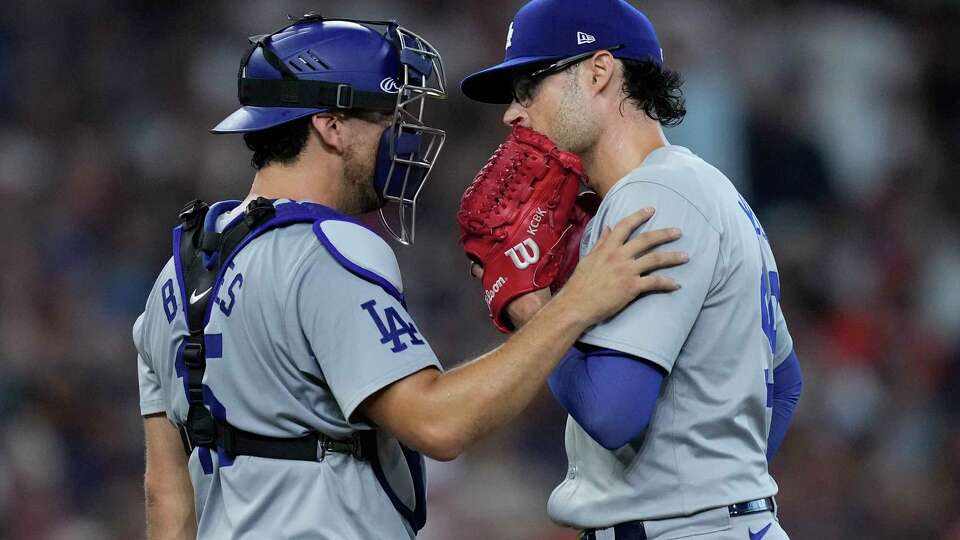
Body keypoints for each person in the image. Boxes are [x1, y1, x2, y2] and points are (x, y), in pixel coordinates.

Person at [133, 13, 688, 539]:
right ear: (331, 126)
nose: (401, 135)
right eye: (386, 117)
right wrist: (573, 304)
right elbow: (438, 424)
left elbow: (167, 497)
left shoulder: (175, 277)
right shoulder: (326, 250)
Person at [461, 1, 804, 539]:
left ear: (598, 71)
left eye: (530, 84)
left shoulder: (652, 196)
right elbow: (785, 382)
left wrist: (537, 311)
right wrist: (726, 488)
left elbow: (614, 413)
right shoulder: (700, 184)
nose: (512, 112)